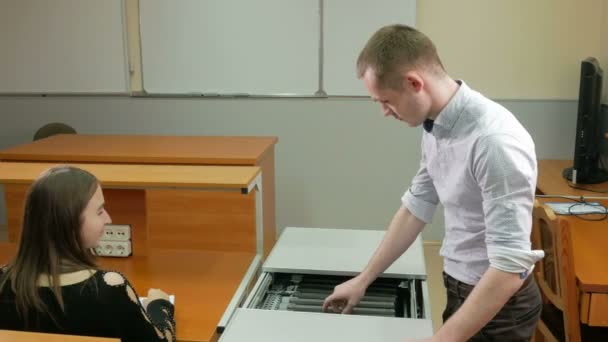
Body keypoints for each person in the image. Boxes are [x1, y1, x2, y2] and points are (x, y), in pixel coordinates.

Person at [322, 24, 544, 341]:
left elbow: (509, 267)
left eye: (385, 101)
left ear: (415, 83)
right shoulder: (436, 126)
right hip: (459, 285)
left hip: (499, 305)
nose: (384, 112)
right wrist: (364, 279)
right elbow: (416, 206)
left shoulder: (494, 142)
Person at [0, 166, 176, 341]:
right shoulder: (109, 289)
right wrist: (160, 305)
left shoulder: (3, 282)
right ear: (69, 223)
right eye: (99, 211)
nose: (108, 219)